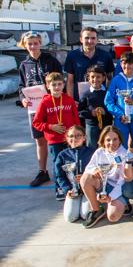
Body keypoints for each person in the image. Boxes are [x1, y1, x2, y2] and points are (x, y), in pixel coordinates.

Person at [17, 31, 63, 187]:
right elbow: (21, 86)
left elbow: (60, 80)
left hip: (53, 107)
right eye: (29, 44)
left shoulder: (50, 61)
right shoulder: (24, 65)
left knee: (58, 139)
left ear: (40, 43)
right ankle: (42, 171)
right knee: (40, 140)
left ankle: (62, 170)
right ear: (24, 45)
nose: (33, 46)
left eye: (35, 43)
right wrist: (23, 99)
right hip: (35, 109)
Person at [33, 72, 81, 200]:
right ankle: (59, 187)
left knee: (72, 163)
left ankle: (73, 185)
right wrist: (51, 127)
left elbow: (76, 120)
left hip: (70, 140)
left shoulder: (68, 100)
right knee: (58, 164)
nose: (57, 87)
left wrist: (79, 135)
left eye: (59, 84)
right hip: (54, 140)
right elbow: (37, 122)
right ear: (48, 86)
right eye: (53, 85)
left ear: (64, 85)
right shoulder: (45, 102)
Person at [79, 126, 128, 228]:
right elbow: (89, 167)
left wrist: (111, 197)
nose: (112, 143)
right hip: (102, 185)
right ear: (103, 141)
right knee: (85, 178)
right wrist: (94, 170)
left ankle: (123, 204)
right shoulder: (99, 152)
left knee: (113, 217)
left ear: (119, 140)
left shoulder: (124, 154)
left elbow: (122, 181)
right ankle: (96, 209)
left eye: (115, 139)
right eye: (108, 140)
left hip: (118, 189)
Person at [64, 27, 114, 100]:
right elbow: (70, 81)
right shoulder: (72, 56)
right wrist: (70, 101)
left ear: (97, 40)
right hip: (79, 100)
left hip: (100, 100)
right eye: (86, 38)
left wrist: (108, 98)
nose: (90, 41)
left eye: (93, 38)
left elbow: (109, 79)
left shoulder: (106, 56)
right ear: (81, 39)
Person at [56, 126, 94, 222]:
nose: (74, 139)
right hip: (73, 190)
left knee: (85, 214)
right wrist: (67, 189)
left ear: (84, 137)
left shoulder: (92, 152)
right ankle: (76, 197)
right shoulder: (62, 155)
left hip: (89, 189)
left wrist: (86, 177)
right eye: (71, 136)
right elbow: (59, 176)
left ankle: (99, 205)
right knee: (70, 217)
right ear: (67, 138)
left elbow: (97, 171)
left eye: (78, 136)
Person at [78, 65, 113, 149]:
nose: (95, 79)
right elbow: (80, 112)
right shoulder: (85, 94)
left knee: (106, 147)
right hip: (91, 126)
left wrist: (105, 112)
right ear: (88, 78)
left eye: (98, 77)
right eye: (92, 77)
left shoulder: (108, 93)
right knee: (91, 148)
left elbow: (113, 108)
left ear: (103, 78)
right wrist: (91, 113)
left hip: (106, 125)